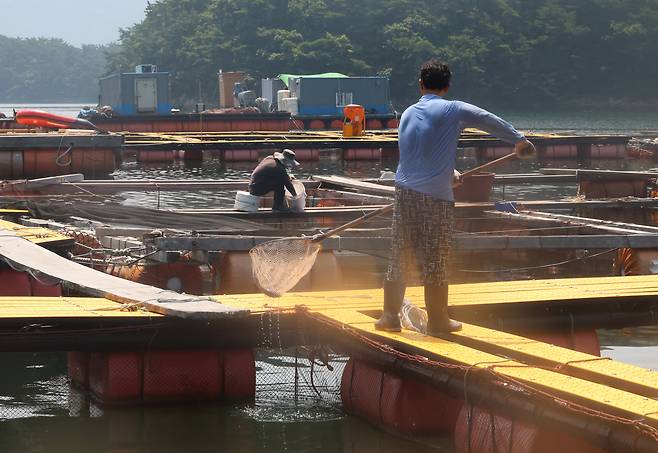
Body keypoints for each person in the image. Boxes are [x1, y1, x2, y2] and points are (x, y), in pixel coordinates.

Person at [375, 58, 536, 336]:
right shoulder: (453, 109)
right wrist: (518, 140)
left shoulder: (408, 113)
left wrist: (449, 171)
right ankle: (438, 321)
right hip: (434, 198)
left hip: (403, 192)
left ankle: (390, 316)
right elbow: (488, 119)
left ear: (420, 84)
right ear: (447, 86)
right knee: (436, 257)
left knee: (400, 254)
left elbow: (419, 153)